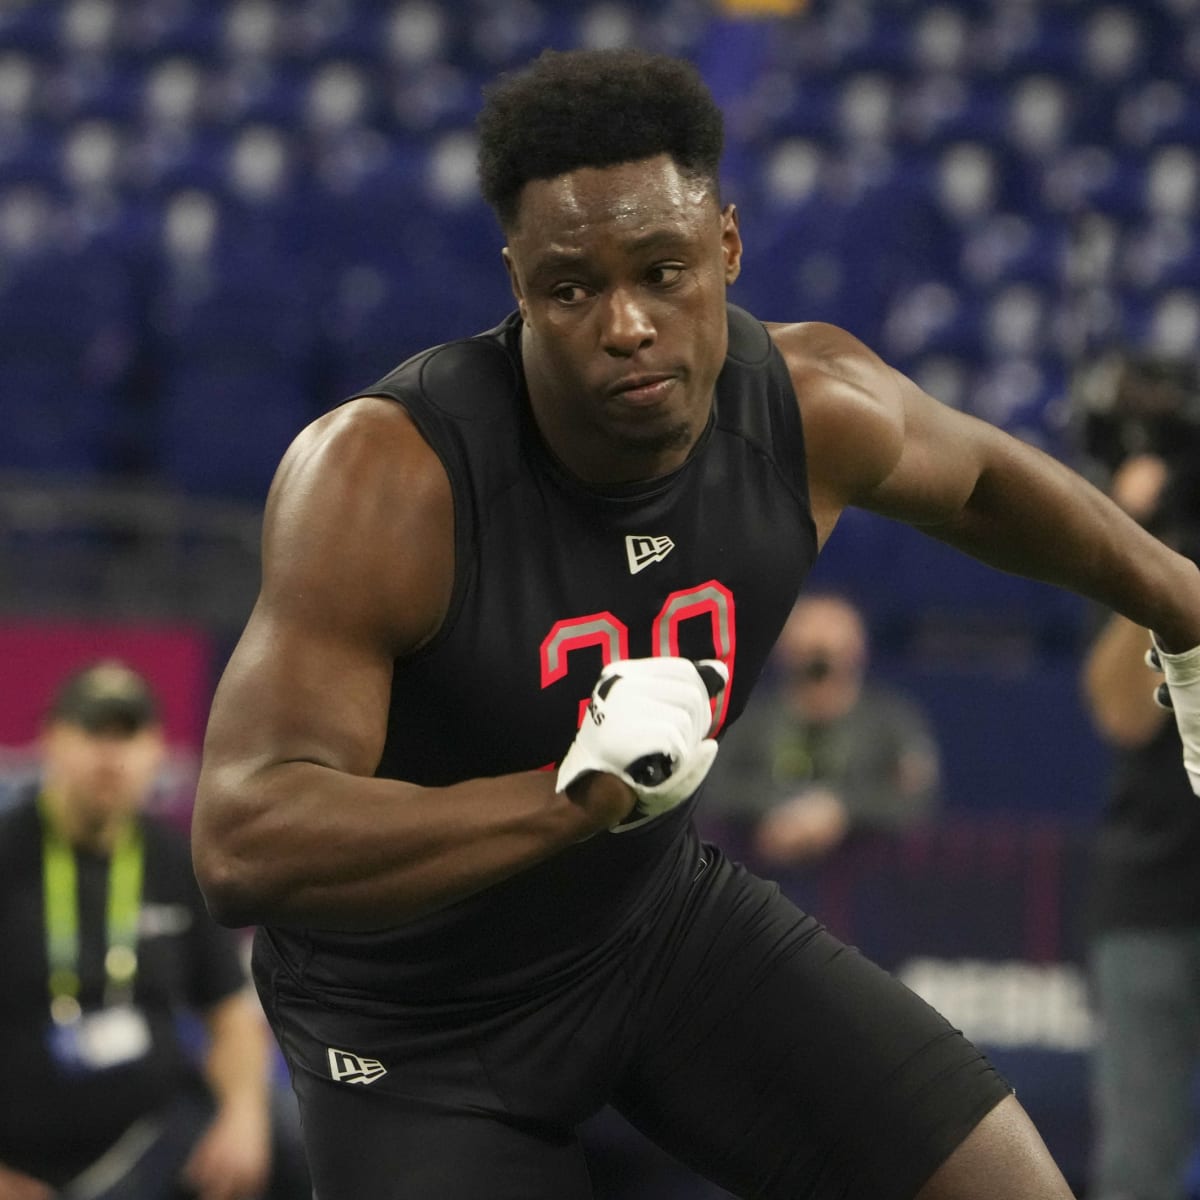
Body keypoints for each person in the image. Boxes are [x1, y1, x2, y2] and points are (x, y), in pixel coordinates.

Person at [189, 48, 1200, 1200]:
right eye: (572, 288)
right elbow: (242, 837)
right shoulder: (387, 477)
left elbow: (977, 484)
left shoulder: (808, 402)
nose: (626, 324)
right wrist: (568, 801)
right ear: (517, 282)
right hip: (411, 1015)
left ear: (726, 245)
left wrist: (1183, 610)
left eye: (663, 271)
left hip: (649, 927)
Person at [0, 660, 311, 1200]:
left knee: (291, 1145)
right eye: (94, 732)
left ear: (157, 750)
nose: (112, 757)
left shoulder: (173, 859)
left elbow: (230, 1015)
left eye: (130, 735)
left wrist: (243, 1114)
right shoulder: (7, 853)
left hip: (154, 1142)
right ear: (50, 739)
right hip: (25, 1162)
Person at [1083, 450, 1200, 1200]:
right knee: (1136, 1166)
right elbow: (1119, 713)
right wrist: (1160, 557)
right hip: (1155, 893)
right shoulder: (1165, 557)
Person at [703, 591, 940, 864]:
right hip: (759, 874)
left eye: (831, 655)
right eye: (809, 656)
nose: (819, 670)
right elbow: (714, 787)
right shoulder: (748, 721)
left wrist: (840, 811)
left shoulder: (892, 721)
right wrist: (783, 811)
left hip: (866, 882)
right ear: (783, 650)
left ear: (857, 651)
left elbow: (917, 797)